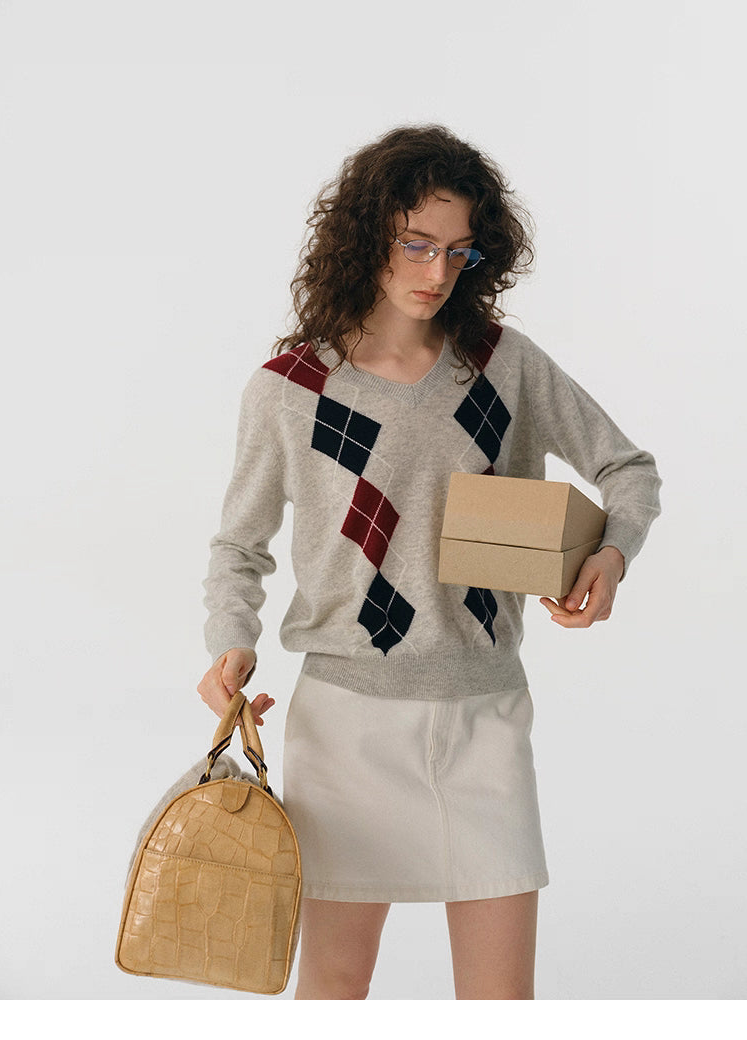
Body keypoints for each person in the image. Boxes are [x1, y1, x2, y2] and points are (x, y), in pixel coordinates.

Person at [196, 124, 662, 1000]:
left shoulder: (501, 365)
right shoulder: (291, 388)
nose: (436, 272)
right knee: (335, 983)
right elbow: (238, 545)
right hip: (345, 726)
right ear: (366, 236)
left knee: (499, 999)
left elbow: (627, 469)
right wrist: (232, 640)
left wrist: (611, 556)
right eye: (414, 243)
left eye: (458, 250)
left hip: (485, 708)